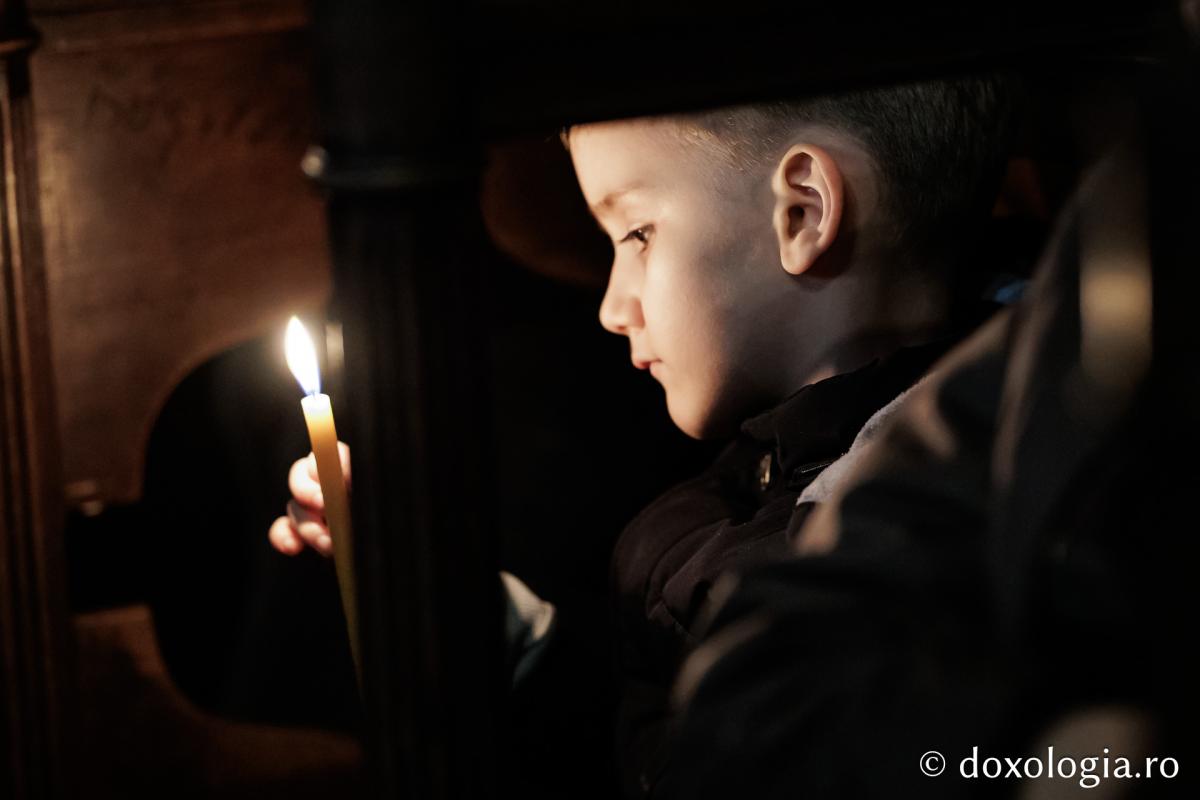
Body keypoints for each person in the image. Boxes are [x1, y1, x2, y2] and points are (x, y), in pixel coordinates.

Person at [268, 74, 1018, 797]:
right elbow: (641, 738)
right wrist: (464, 607)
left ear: (803, 211)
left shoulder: (870, 570)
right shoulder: (780, 473)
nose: (612, 306)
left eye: (637, 233)